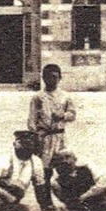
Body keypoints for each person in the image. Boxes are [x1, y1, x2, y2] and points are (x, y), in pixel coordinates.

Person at [27, 63, 77, 203]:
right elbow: (31, 120)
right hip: (44, 138)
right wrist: (36, 135)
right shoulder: (38, 97)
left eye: (55, 77)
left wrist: (63, 115)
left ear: (60, 78)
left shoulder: (65, 96)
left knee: (65, 167)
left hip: (60, 137)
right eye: (48, 77)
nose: (52, 80)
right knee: (44, 170)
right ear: (43, 78)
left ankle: (68, 199)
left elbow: (73, 114)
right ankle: (45, 201)